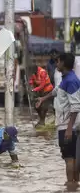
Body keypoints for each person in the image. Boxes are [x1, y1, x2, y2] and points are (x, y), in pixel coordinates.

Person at [36, 53, 80, 185]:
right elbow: (57, 90)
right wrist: (43, 98)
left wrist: (68, 129)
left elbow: (75, 106)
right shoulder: (66, 79)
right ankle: (74, 187)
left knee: (69, 158)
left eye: (58, 61)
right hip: (67, 126)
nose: (56, 64)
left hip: (67, 126)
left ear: (63, 64)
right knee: (73, 158)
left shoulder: (71, 81)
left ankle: (70, 186)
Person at [29, 62, 54, 127]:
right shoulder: (33, 72)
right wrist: (30, 84)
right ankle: (41, 120)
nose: (32, 73)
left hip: (47, 91)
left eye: (33, 72)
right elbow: (31, 80)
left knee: (44, 107)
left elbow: (42, 85)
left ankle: (42, 121)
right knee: (36, 106)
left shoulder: (42, 72)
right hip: (40, 92)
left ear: (36, 69)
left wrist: (33, 90)